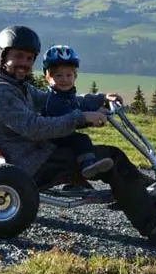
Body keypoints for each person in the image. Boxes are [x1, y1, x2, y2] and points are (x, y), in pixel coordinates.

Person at [0, 25, 156, 243]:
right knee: (112, 158)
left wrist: (99, 99)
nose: (24, 63)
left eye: (29, 58)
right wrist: (80, 118)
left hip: (30, 154)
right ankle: (153, 225)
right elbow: (35, 127)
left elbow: (53, 99)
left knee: (104, 155)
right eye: (18, 56)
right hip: (34, 163)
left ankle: (149, 194)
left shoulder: (13, 84)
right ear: (2, 55)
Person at [38, 44, 115, 181]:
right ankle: (88, 165)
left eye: (69, 75)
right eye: (58, 75)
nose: (64, 79)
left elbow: (81, 102)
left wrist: (103, 98)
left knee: (80, 140)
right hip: (54, 138)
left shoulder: (67, 94)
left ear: (75, 76)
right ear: (48, 77)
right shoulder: (53, 99)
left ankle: (76, 182)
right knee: (81, 140)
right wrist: (90, 119)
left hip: (63, 135)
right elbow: (69, 117)